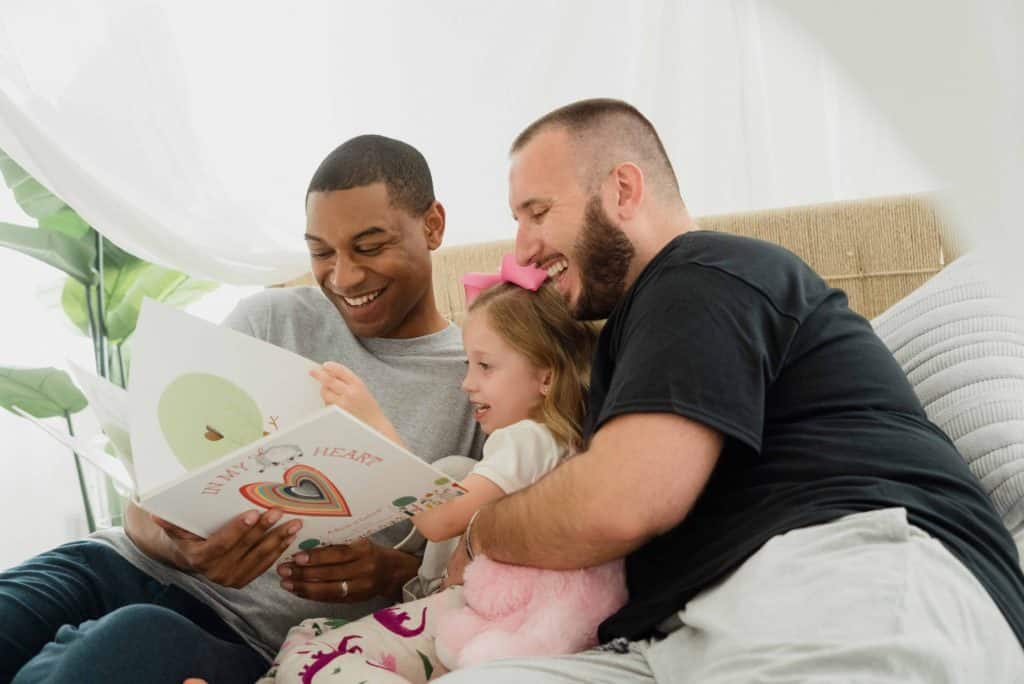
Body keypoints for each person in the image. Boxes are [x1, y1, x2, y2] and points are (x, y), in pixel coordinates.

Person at [437, 99, 1024, 683]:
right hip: (681, 632)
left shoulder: (703, 274)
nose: (523, 249)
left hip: (842, 574)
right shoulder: (643, 323)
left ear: (622, 189)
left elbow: (622, 500)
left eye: (537, 212)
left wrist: (482, 530)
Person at [0, 134, 484, 684]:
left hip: (244, 637)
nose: (343, 277)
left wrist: (387, 574)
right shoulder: (268, 320)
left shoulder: (480, 379)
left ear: (433, 225)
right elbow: (140, 514)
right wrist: (186, 552)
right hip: (116, 565)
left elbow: (482, 571)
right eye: (321, 252)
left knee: (120, 645)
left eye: (369, 247)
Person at [261, 271, 622, 683]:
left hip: (505, 617)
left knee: (313, 655)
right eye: (469, 365)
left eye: (485, 366)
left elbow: (438, 519)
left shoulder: (529, 439)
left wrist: (375, 426)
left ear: (546, 376)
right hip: (518, 613)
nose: (468, 384)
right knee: (308, 634)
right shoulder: (559, 443)